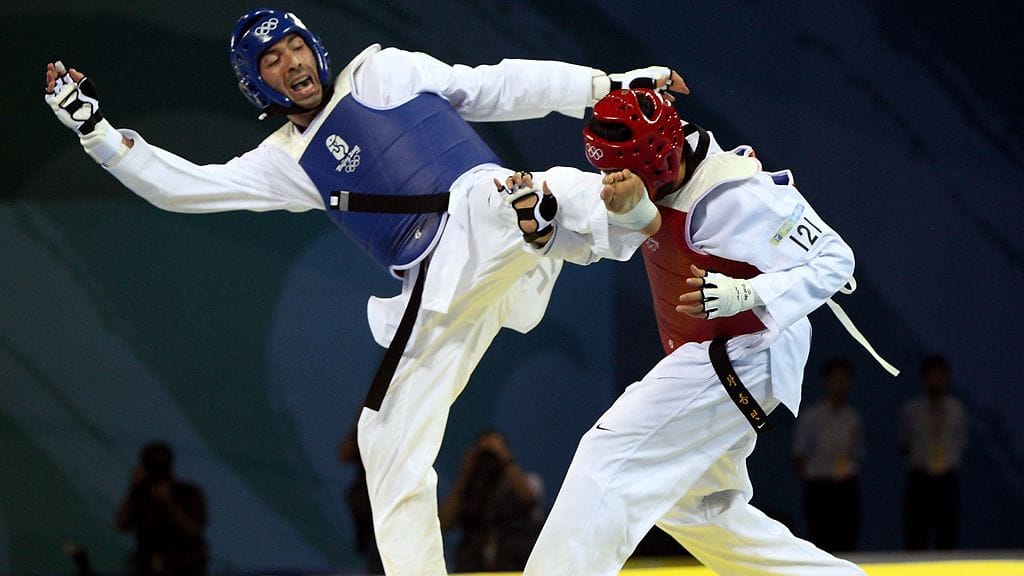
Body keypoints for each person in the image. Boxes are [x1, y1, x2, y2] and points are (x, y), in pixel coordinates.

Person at [44, 8, 681, 574]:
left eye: (294, 45)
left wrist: (611, 86)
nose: (290, 60)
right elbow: (185, 187)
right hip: (440, 288)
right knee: (385, 439)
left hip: (479, 209)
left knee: (542, 193)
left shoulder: (383, 72)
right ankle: (549, 226)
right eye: (271, 58)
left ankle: (609, 215)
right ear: (256, 84)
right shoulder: (285, 161)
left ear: (314, 49)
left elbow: (503, 83)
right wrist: (96, 133)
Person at [523, 87, 869, 575]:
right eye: (606, 171)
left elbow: (837, 260)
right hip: (713, 351)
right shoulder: (654, 166)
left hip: (747, 348)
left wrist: (749, 294)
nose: (611, 185)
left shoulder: (738, 197)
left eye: (620, 173)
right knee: (695, 506)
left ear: (659, 160)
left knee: (609, 455)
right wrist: (542, 216)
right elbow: (631, 219)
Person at [439, 430, 544, 572]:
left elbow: (530, 500)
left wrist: (506, 461)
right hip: (471, 567)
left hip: (514, 566)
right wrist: (465, 475)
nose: (489, 461)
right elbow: (443, 523)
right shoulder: (469, 488)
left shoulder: (527, 481)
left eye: (494, 454)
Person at [792, 357, 864, 552]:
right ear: (826, 381)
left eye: (845, 379)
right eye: (836, 378)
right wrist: (812, 480)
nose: (840, 384)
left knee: (848, 540)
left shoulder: (853, 418)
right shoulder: (812, 417)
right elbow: (799, 455)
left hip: (846, 487)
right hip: (820, 488)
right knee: (820, 541)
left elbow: (856, 453)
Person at [899, 354, 969, 550]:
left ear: (947, 377)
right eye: (932, 375)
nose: (936, 380)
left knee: (947, 534)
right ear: (924, 378)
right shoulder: (912, 409)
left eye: (940, 375)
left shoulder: (956, 409)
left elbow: (962, 442)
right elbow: (904, 444)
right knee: (916, 534)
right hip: (920, 477)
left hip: (946, 477)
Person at [116, 441, 208, 576]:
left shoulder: (189, 492)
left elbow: (193, 530)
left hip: (183, 564)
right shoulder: (140, 493)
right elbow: (122, 524)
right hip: (146, 562)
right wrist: (133, 488)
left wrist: (168, 502)